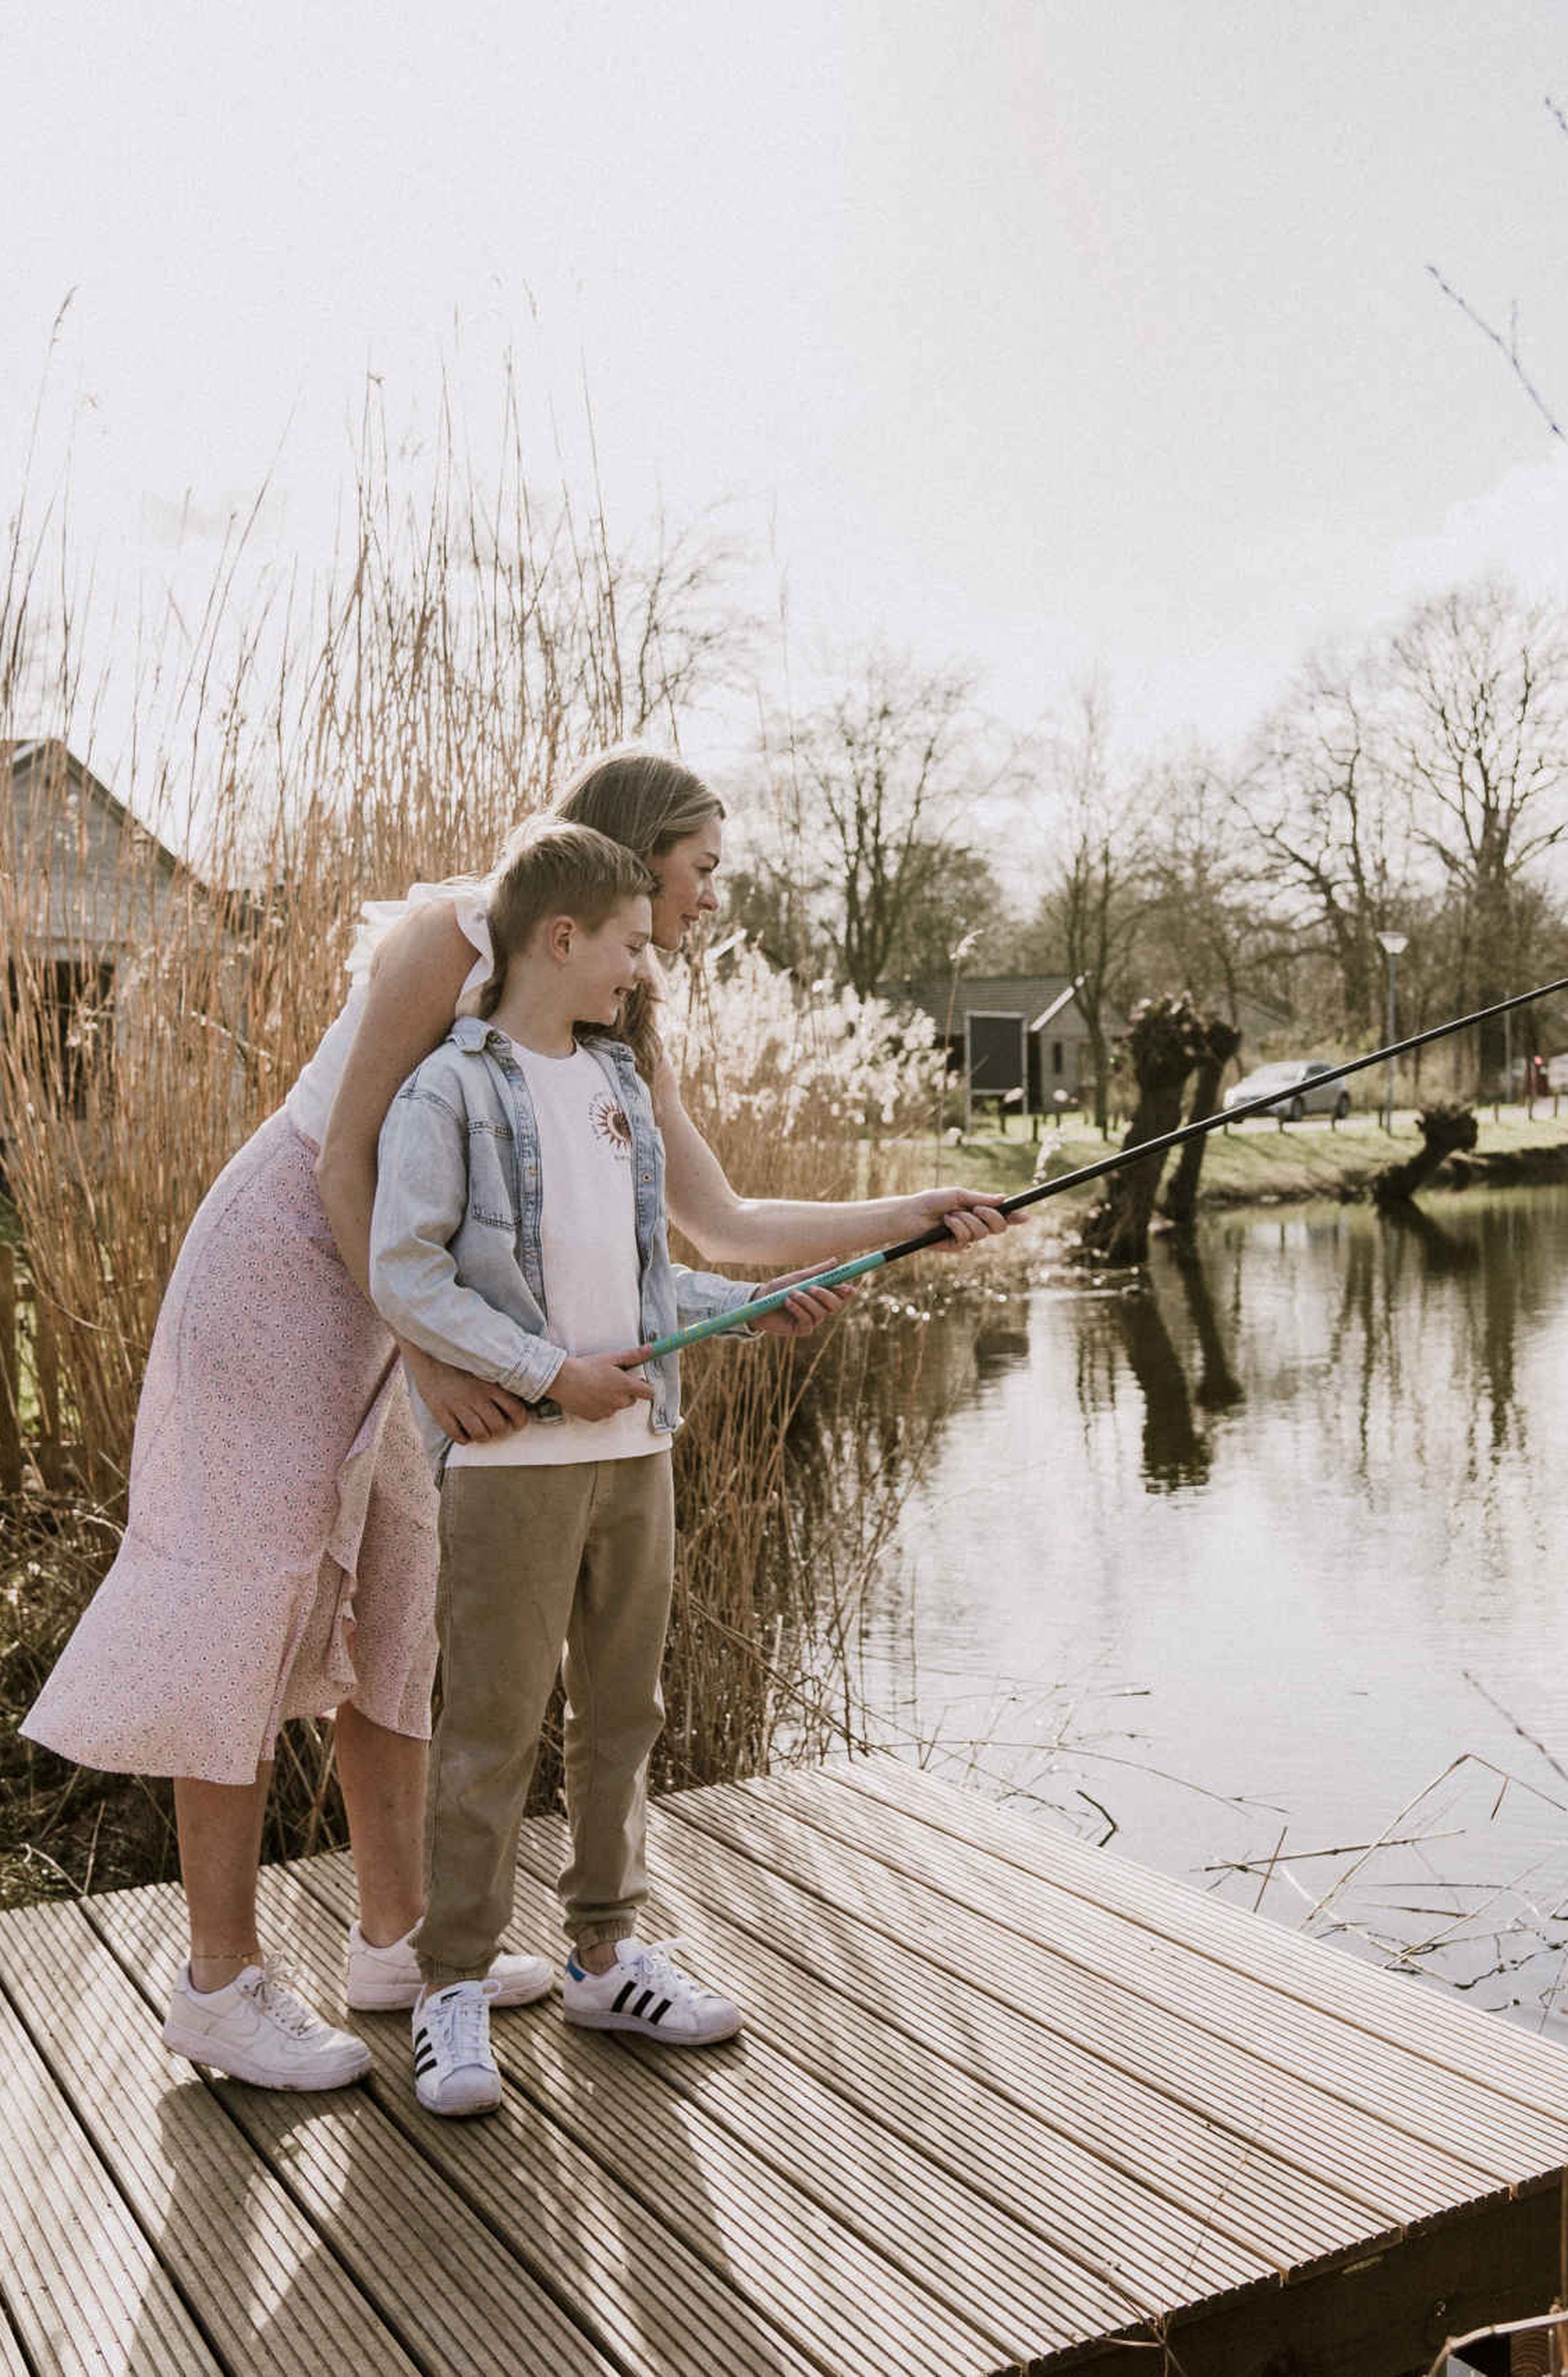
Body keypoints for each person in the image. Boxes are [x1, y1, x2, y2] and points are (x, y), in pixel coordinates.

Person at [22, 747, 1007, 2089]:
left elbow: (718, 1221)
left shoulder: (603, 1021)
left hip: (424, 1318)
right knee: (245, 1599)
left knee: (401, 1605)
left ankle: (398, 1937)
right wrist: (433, 1352)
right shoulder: (456, 941)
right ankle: (218, 1985)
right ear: (634, 857)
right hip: (290, 1276)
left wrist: (915, 1216)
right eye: (702, 870)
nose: (710, 901)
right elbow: (348, 1153)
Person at [373, 822, 765, 2113]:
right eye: (631, 949)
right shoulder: (453, 1092)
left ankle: (603, 1955)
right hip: (522, 1465)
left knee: (624, 1717)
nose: (643, 975)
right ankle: (453, 1992)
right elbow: (407, 1272)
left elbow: (640, 1281)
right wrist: (548, 1377)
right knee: (489, 1732)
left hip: (636, 1452)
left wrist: (765, 1297)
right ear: (561, 937)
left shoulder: (613, 1088)